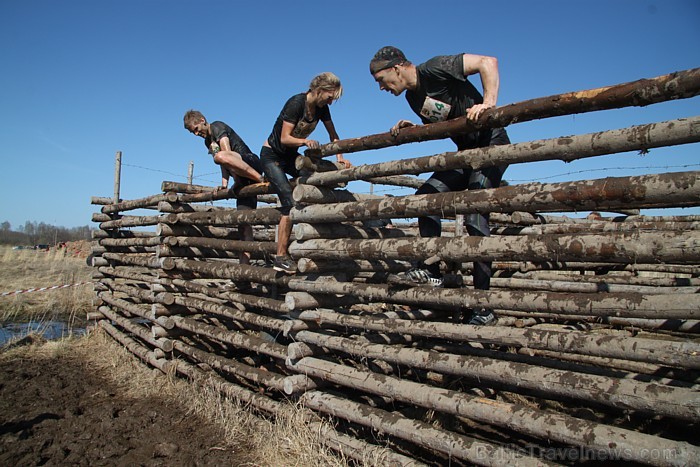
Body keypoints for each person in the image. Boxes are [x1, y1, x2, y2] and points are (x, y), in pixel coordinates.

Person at [369, 46, 511, 325]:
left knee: (474, 215)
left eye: (380, 80)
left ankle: (484, 305)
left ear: (396, 68)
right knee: (425, 199)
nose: (381, 88)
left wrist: (489, 104)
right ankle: (431, 267)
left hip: (491, 144)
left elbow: (488, 61)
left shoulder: (435, 67)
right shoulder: (413, 97)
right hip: (464, 153)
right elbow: (440, 123)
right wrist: (416, 128)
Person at [261, 72, 351, 273]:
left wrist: (340, 158)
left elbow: (333, 135)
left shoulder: (322, 108)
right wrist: (304, 141)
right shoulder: (296, 103)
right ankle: (281, 256)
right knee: (288, 201)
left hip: (291, 156)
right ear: (319, 91)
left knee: (317, 180)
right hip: (272, 156)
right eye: (330, 97)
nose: (331, 101)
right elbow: (285, 138)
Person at [183, 110, 264, 267]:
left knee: (220, 156)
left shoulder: (217, 127)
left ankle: (260, 178)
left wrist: (236, 179)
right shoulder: (208, 141)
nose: (196, 133)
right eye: (192, 132)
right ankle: (243, 270)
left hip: (250, 162)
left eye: (195, 129)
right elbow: (223, 163)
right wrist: (224, 184)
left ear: (202, 120)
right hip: (241, 177)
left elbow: (227, 155)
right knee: (244, 224)